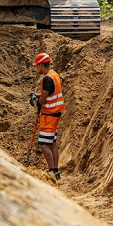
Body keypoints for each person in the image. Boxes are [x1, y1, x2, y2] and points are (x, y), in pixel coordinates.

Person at [30, 52, 65, 180]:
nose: (36, 68)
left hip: (49, 115)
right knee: (52, 143)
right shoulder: (54, 75)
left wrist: (35, 101)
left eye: (36, 66)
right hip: (56, 113)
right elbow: (49, 93)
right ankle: (56, 171)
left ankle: (51, 171)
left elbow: (43, 100)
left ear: (41, 65)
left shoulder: (46, 79)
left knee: (43, 144)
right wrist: (37, 95)